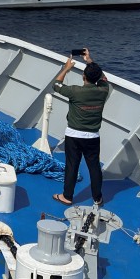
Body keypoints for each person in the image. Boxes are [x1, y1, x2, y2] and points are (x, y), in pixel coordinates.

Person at [52, 48, 110, 206]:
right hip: (92, 137)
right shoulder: (104, 90)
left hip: (74, 135)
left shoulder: (75, 91)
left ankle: (67, 196)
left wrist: (66, 68)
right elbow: (102, 77)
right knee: (94, 167)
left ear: (83, 77)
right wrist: (89, 60)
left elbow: (56, 85)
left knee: (72, 166)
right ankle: (97, 198)